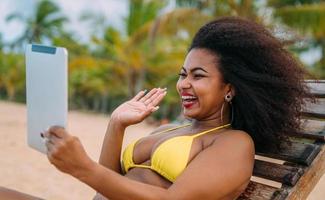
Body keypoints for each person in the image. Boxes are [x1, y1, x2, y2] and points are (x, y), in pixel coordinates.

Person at [0, 16, 311, 200]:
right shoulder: (171, 130)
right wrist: (116, 125)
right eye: (182, 74)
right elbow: (102, 193)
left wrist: (84, 167)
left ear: (229, 88)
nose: (184, 84)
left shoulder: (232, 143)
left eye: (198, 76)